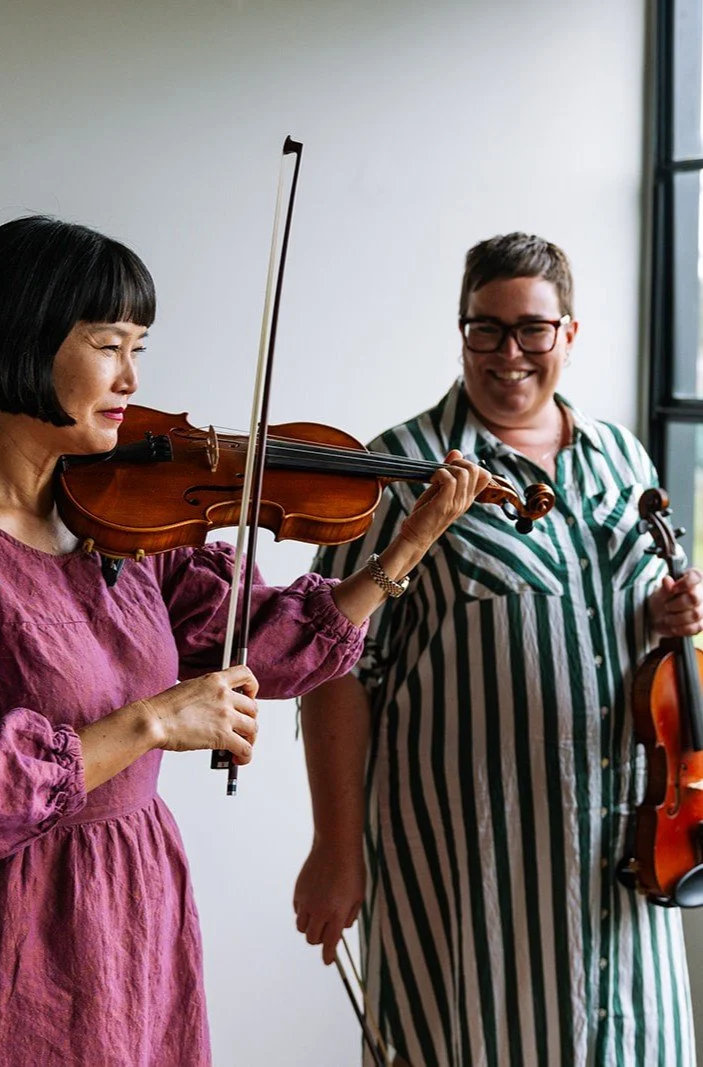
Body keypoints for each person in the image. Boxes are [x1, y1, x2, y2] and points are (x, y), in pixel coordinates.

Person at [0, 215, 492, 1067]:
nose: (130, 377)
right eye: (109, 344)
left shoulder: (125, 523)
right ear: (21, 343)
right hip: (22, 924)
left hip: (135, 902)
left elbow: (263, 644)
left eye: (139, 348)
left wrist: (403, 550)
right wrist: (151, 722)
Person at [294, 232, 703, 1067]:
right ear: (461, 330)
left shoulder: (620, 457)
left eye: (531, 330)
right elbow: (330, 662)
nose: (507, 353)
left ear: (569, 334)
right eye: (486, 329)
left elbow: (621, 624)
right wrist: (334, 847)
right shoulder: (398, 468)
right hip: (475, 866)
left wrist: (669, 615)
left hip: (626, 854)